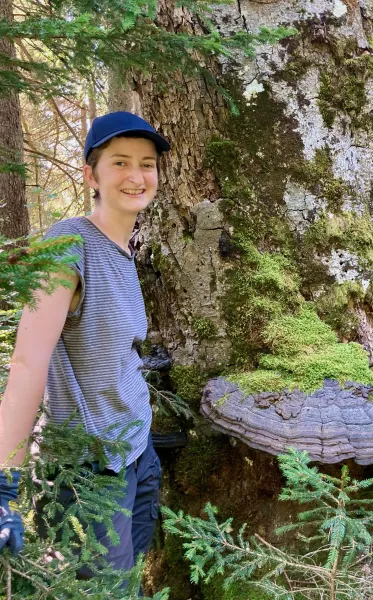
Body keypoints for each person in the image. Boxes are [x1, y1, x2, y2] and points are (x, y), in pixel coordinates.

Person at [0, 111, 170, 571]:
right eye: (120, 162)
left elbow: (106, 349)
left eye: (147, 163)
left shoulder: (125, 250)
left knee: (131, 580)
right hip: (89, 475)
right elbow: (27, 365)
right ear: (90, 174)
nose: (137, 176)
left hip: (138, 455)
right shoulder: (68, 244)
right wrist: (4, 485)